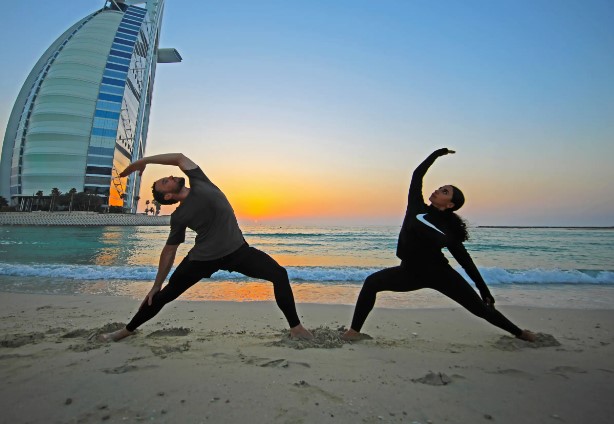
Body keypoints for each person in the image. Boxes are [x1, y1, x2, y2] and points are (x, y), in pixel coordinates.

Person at [98, 153, 313, 342]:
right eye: (165, 181)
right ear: (168, 196)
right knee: (164, 295)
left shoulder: (200, 181)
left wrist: (144, 161)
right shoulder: (179, 216)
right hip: (202, 259)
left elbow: (179, 157)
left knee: (279, 274)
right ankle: (126, 331)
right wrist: (156, 285)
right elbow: (169, 250)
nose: (171, 176)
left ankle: (296, 328)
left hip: (238, 251)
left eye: (168, 176)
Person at [342, 148, 536, 342]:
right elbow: (417, 174)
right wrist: (436, 155)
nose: (437, 190)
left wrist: (483, 289)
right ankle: (353, 332)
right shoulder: (416, 208)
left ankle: (521, 333)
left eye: (445, 191)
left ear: (450, 204)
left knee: (480, 310)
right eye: (441, 187)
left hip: (440, 274)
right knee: (371, 283)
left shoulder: (449, 229)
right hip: (410, 272)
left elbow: (464, 259)